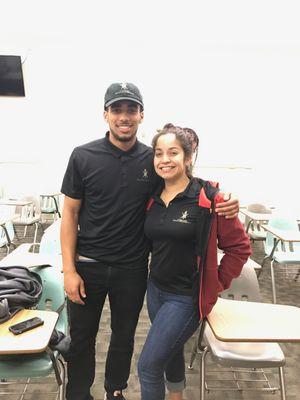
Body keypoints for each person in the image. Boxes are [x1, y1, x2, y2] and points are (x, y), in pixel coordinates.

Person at [60, 82, 241, 400]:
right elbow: (70, 216)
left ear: (141, 115)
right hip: (88, 266)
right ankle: (77, 394)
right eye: (117, 109)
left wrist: (226, 198)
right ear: (106, 115)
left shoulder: (150, 160)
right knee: (82, 339)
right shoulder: (82, 156)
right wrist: (69, 270)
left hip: (132, 270)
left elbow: (188, 183)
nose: (124, 116)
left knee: (124, 337)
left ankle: (114, 390)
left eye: (131, 109)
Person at [137, 124, 251, 400]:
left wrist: (215, 281)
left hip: (186, 297)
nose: (165, 159)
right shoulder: (152, 198)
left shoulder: (209, 200)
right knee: (170, 349)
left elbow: (239, 247)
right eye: (158, 153)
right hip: (156, 291)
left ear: (188, 157)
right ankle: (176, 395)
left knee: (149, 367)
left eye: (173, 152)